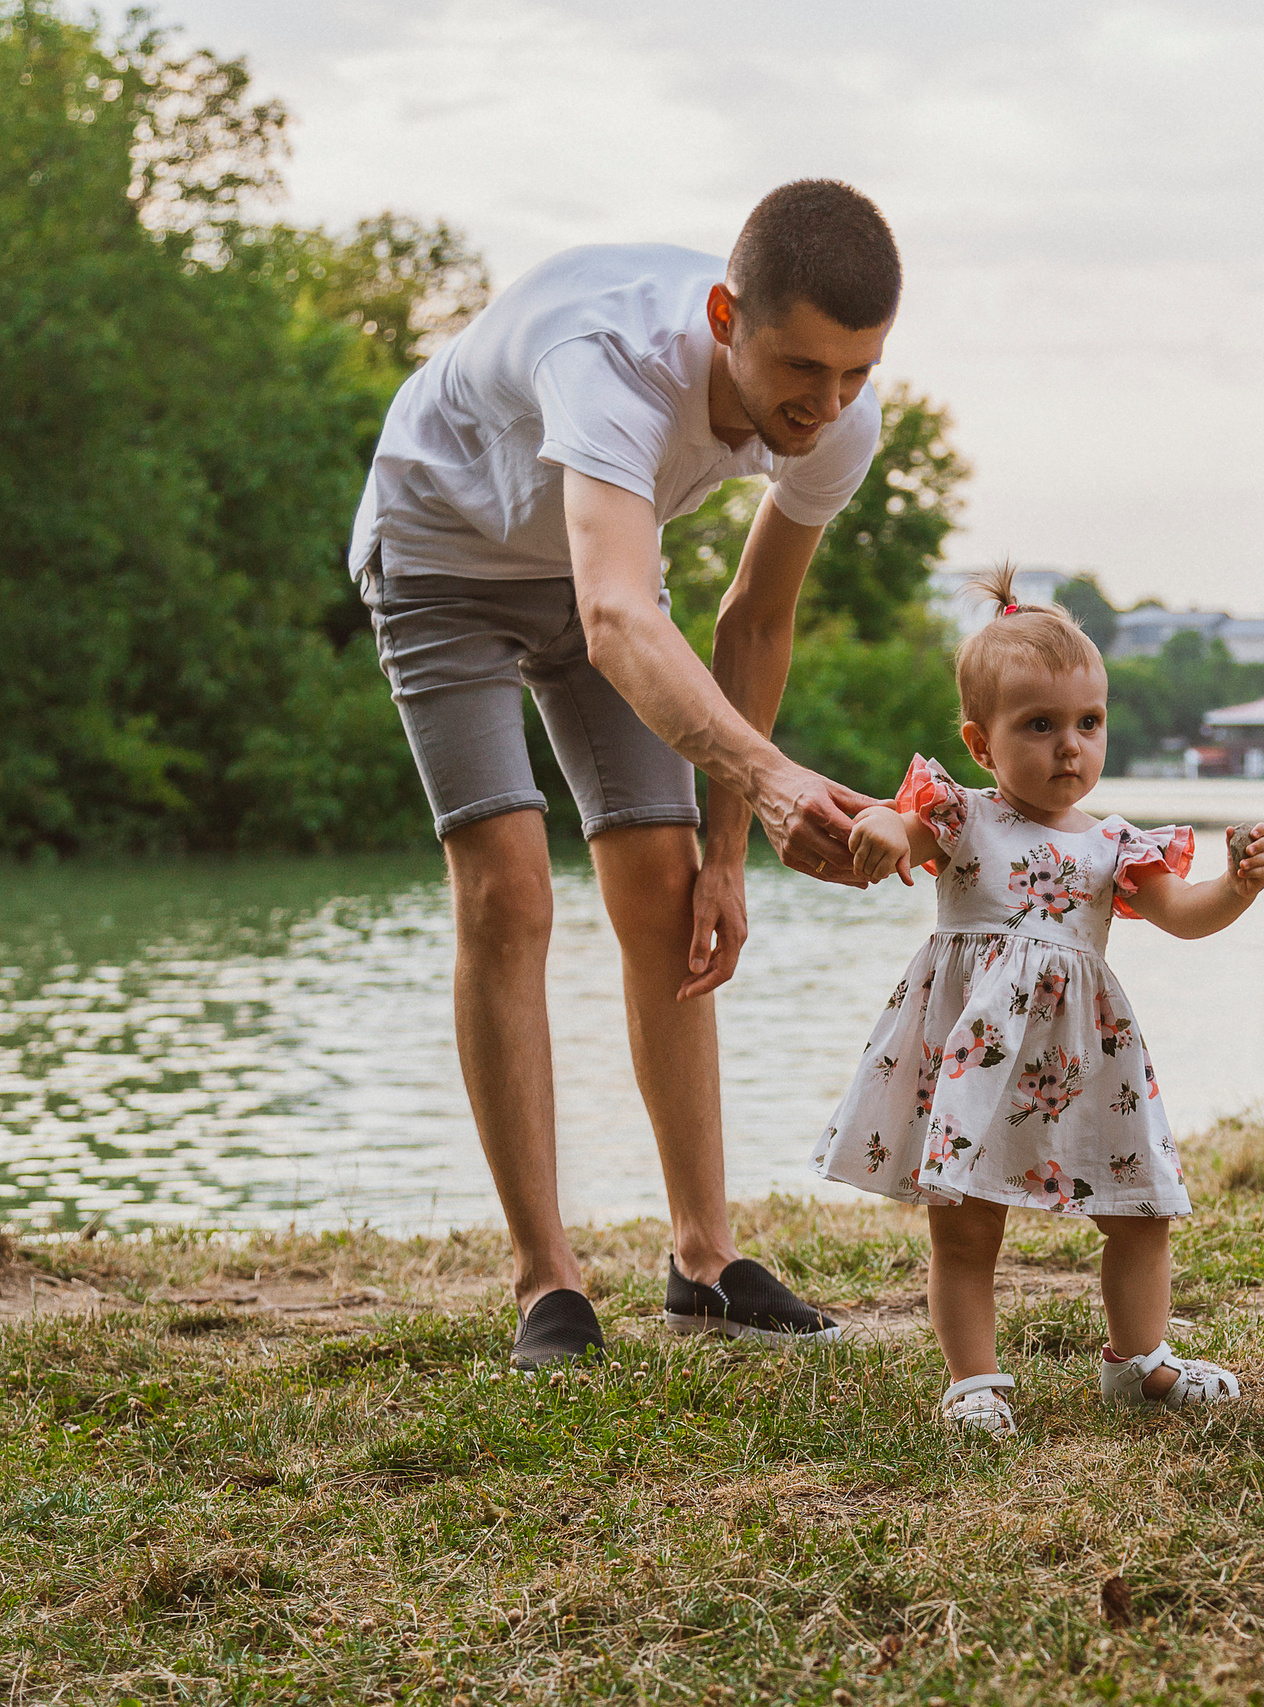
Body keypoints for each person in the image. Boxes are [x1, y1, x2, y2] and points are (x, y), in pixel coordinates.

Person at [351, 180, 899, 1368]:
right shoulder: (611, 354)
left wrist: (727, 854)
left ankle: (703, 1259)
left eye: (856, 373)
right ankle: (545, 1280)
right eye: (804, 369)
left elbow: (753, 619)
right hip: (446, 559)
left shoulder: (840, 417)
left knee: (663, 897)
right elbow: (614, 616)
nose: (828, 404)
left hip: (598, 566)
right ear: (722, 317)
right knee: (508, 892)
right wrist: (780, 780)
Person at [810, 568, 1264, 1436]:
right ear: (981, 743)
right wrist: (879, 826)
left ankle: (1140, 1361)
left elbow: (1185, 915)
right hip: (979, 1062)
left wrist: (1236, 890)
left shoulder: (1115, 845)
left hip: (1085, 1062)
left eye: (1088, 723)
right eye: (1040, 725)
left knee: (1139, 1207)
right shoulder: (962, 816)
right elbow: (904, 827)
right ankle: (975, 1381)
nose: (1070, 746)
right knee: (968, 1223)